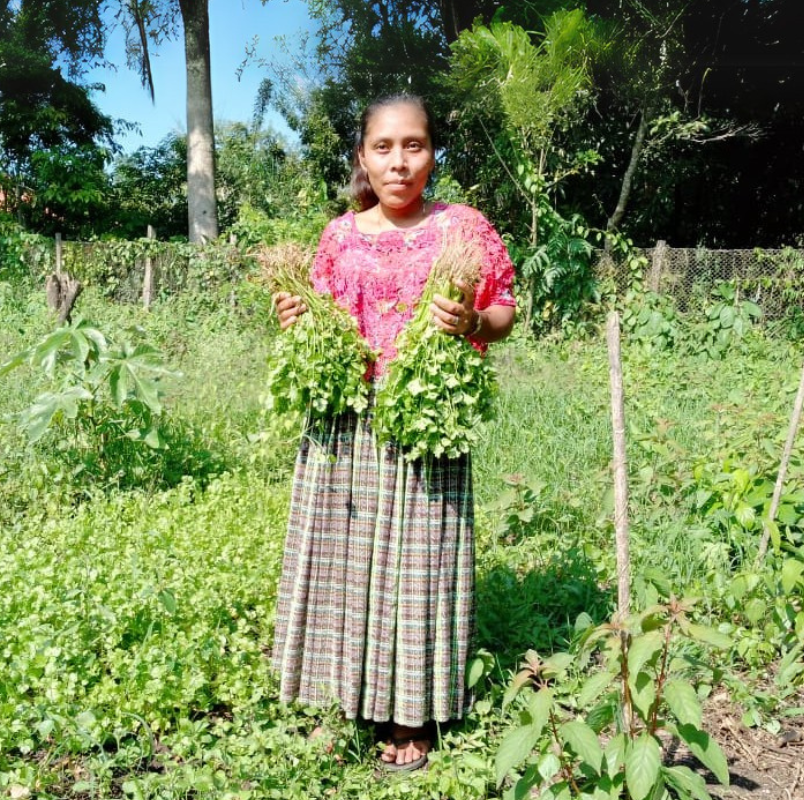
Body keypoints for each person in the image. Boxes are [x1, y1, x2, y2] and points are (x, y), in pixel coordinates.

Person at [271, 93, 517, 771]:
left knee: (419, 562)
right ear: (362, 158)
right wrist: (297, 317)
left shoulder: (463, 228)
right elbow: (321, 316)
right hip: (344, 418)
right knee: (337, 561)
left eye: (414, 145)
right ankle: (335, 698)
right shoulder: (339, 235)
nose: (399, 161)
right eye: (383, 147)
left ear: (433, 154)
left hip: (424, 421)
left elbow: (502, 309)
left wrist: (471, 325)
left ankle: (411, 713)